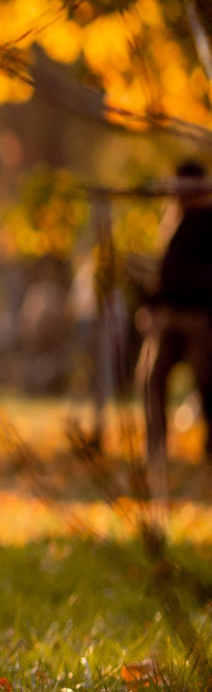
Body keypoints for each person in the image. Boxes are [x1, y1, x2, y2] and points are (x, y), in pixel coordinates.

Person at [140, 159, 212, 471]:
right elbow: (166, 278)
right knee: (150, 378)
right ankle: (155, 450)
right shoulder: (173, 225)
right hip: (169, 318)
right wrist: (153, 303)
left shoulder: (209, 224)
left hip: (199, 319)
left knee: (208, 381)